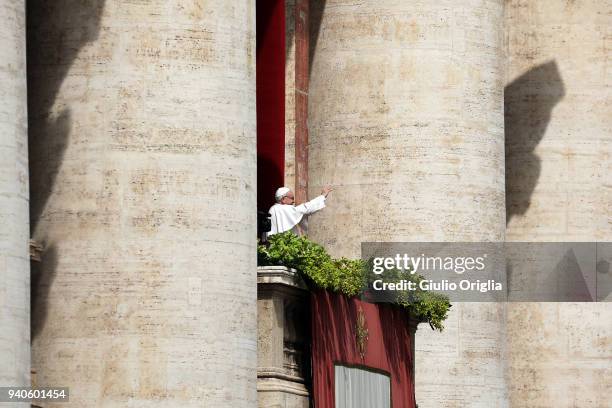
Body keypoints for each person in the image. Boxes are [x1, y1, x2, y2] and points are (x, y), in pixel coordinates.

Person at [268, 186, 333, 237]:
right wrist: (322, 196)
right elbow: (304, 208)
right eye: (292, 198)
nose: (293, 201)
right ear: (283, 199)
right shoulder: (282, 209)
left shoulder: (273, 209)